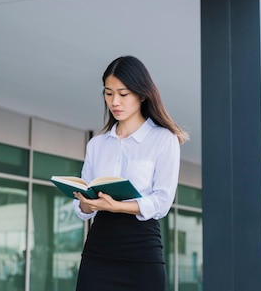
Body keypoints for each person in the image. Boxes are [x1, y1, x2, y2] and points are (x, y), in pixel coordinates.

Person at [73, 55, 189, 291]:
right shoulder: (97, 144)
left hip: (141, 252)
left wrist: (118, 206)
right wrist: (86, 203)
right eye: (108, 93)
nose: (115, 101)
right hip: (99, 250)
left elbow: (162, 201)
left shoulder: (163, 139)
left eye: (123, 94)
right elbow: (82, 209)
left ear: (142, 94)